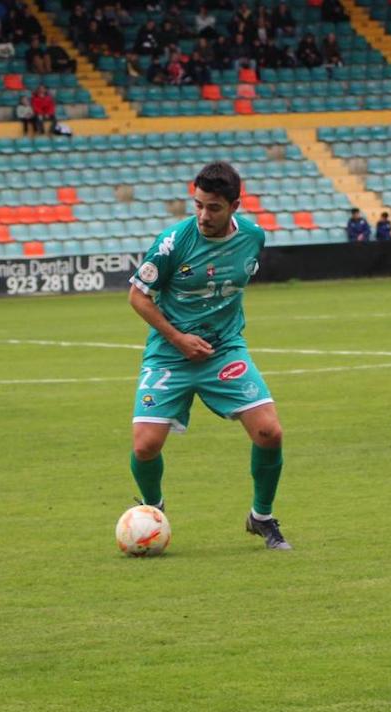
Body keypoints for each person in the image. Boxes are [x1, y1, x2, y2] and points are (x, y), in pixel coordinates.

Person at [127, 162, 289, 550]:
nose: (203, 215)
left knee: (270, 432)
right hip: (170, 353)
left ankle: (261, 517)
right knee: (144, 446)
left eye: (213, 207)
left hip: (224, 351)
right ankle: (153, 511)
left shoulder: (253, 237)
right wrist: (180, 338)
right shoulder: (172, 243)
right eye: (198, 205)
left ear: (235, 205)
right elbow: (137, 296)